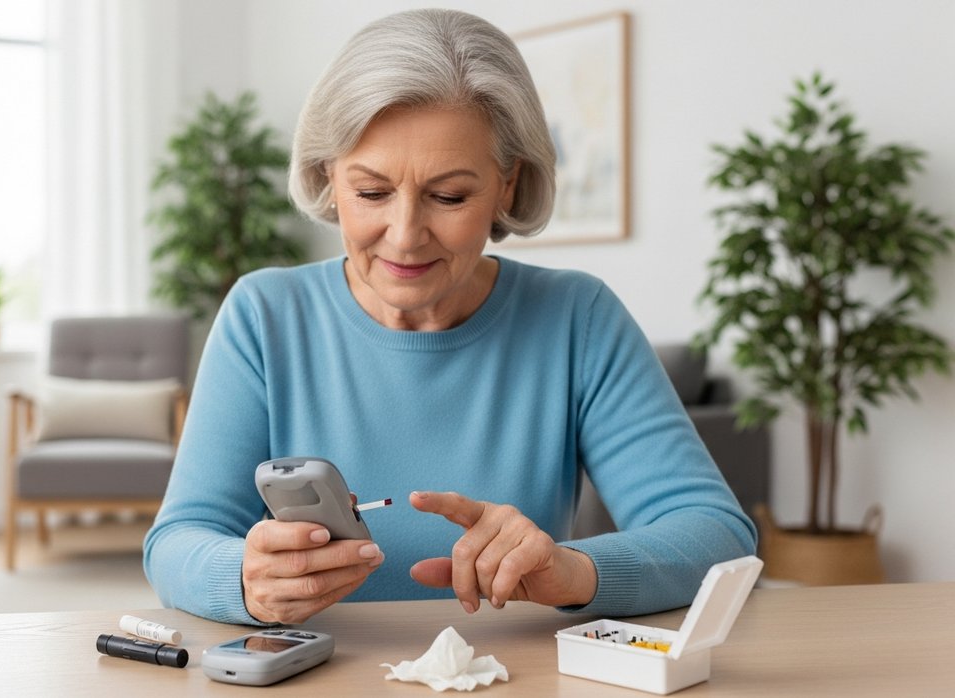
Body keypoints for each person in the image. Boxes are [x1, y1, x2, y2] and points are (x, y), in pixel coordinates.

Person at [143, 8, 756, 626]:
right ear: (329, 177)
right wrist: (245, 581)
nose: (405, 236)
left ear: (508, 187)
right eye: (372, 192)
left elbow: (715, 533)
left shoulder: (578, 318)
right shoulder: (264, 315)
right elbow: (176, 542)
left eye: (449, 196)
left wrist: (571, 572)